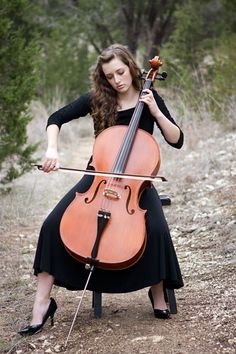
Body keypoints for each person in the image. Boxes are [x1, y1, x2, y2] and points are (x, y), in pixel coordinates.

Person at [18, 44, 184, 336]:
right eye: (109, 76)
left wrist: (155, 111)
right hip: (99, 177)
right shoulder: (98, 99)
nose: (116, 80)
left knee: (156, 228)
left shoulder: (150, 97)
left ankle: (157, 291)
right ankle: (42, 304)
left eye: (120, 72)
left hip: (136, 182)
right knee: (52, 224)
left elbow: (176, 139)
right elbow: (55, 118)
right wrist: (52, 150)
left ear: (132, 68)